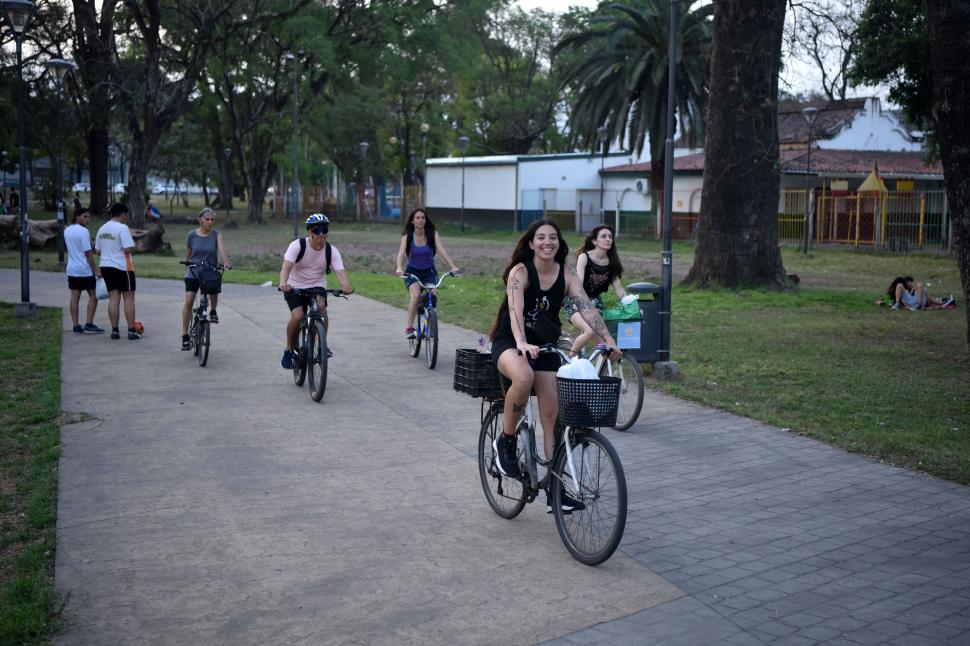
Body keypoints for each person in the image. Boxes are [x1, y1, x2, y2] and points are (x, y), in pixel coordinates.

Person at [488, 219, 619, 511]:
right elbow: (514, 309)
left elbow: (587, 306)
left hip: (546, 347)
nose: (548, 242)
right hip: (511, 342)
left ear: (559, 243)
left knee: (553, 416)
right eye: (541, 238)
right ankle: (505, 442)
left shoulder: (568, 274)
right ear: (532, 243)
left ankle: (557, 490)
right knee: (522, 378)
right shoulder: (520, 272)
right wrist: (521, 342)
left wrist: (608, 340)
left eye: (553, 237)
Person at [278, 213, 353, 368]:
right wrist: (283, 283)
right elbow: (286, 266)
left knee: (321, 309)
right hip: (294, 285)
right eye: (317, 230)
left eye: (324, 230)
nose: (321, 234)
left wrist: (345, 286)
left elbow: (340, 271)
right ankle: (289, 349)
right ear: (310, 232)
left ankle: (321, 345)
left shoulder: (331, 250)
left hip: (317, 285)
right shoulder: (298, 246)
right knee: (298, 316)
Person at [394, 208, 460, 338]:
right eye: (417, 218)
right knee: (415, 296)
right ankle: (409, 328)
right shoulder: (407, 235)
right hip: (412, 272)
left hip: (429, 271)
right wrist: (399, 268)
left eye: (423, 218)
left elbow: (441, 251)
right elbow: (401, 253)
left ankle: (429, 320)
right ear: (412, 221)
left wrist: (453, 267)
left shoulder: (432, 233)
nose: (420, 220)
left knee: (432, 299)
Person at [564, 224, 627, 356]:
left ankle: (600, 369)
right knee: (590, 331)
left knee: (603, 344)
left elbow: (619, 291)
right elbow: (579, 283)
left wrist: (632, 305)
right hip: (576, 299)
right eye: (603, 236)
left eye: (610, 236)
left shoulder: (612, 263)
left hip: (595, 302)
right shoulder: (584, 257)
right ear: (594, 241)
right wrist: (578, 302)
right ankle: (567, 364)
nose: (608, 239)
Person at [181, 207, 231, 350]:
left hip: (209, 271)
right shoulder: (192, 235)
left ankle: (213, 311)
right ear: (200, 220)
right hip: (194, 271)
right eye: (207, 219)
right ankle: (185, 336)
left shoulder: (216, 234)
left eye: (212, 219)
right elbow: (189, 253)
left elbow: (222, 250)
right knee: (189, 300)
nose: (210, 222)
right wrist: (187, 267)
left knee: (214, 285)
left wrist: (226, 262)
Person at [95, 202, 140, 340]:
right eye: (126, 214)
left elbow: (97, 251)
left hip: (105, 266)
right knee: (128, 298)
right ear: (121, 214)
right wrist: (134, 246)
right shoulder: (122, 228)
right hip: (122, 266)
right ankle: (131, 331)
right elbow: (127, 248)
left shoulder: (102, 228)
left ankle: (115, 331)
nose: (127, 217)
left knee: (114, 298)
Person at [64, 208, 104, 334]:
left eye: (89, 217)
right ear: (77, 216)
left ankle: (76, 325)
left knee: (74, 297)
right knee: (93, 295)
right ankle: (89, 324)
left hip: (72, 269)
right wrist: (96, 270)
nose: (88, 219)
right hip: (84, 269)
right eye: (85, 216)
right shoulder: (84, 232)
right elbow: (88, 253)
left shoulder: (67, 230)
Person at [888, 276, 954, 310]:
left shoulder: (918, 289)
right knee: (899, 285)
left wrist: (941, 303)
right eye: (909, 282)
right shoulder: (904, 291)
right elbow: (887, 299)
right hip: (909, 300)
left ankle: (918, 305)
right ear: (905, 282)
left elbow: (929, 299)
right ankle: (897, 304)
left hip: (919, 300)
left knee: (920, 284)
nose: (911, 283)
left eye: (911, 282)